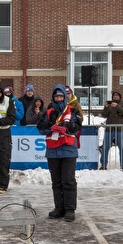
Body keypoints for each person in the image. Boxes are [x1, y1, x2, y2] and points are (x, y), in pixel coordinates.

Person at [37, 84, 82, 222]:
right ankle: (59, 208)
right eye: (56, 96)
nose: (58, 98)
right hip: (53, 150)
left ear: (65, 97)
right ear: (53, 97)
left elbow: (78, 126)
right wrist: (51, 126)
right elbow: (40, 127)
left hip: (68, 150)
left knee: (68, 181)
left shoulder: (73, 111)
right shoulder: (48, 112)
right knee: (56, 182)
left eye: (61, 96)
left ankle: (69, 209)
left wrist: (67, 126)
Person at [99, 89, 123, 170]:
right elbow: (104, 115)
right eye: (114, 95)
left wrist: (117, 106)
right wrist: (105, 107)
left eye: (117, 95)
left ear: (119, 96)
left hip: (120, 129)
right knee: (105, 147)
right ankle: (103, 165)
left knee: (122, 147)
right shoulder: (109, 104)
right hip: (109, 129)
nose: (115, 96)